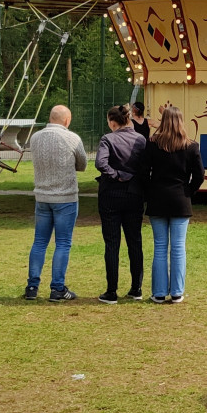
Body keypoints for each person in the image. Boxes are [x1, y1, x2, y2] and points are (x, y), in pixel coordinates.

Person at [137, 104, 206, 303]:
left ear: (163, 122)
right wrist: (188, 191)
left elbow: (143, 173)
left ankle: (159, 293)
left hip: (157, 198)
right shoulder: (191, 146)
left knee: (160, 247)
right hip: (180, 199)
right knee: (178, 247)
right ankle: (177, 292)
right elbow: (200, 175)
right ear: (181, 122)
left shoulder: (152, 144)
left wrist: (149, 191)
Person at [25, 104, 87, 302]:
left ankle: (32, 286)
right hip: (65, 197)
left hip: (42, 196)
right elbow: (82, 165)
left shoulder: (35, 138)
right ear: (67, 120)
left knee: (39, 242)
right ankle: (57, 288)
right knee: (63, 243)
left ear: (50, 118)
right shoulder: (72, 138)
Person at [96, 104, 147, 303]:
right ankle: (136, 288)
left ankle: (111, 291)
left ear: (112, 122)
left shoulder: (108, 139)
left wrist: (116, 175)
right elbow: (145, 166)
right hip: (134, 193)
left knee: (112, 243)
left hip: (110, 194)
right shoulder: (140, 140)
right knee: (135, 241)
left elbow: (101, 163)